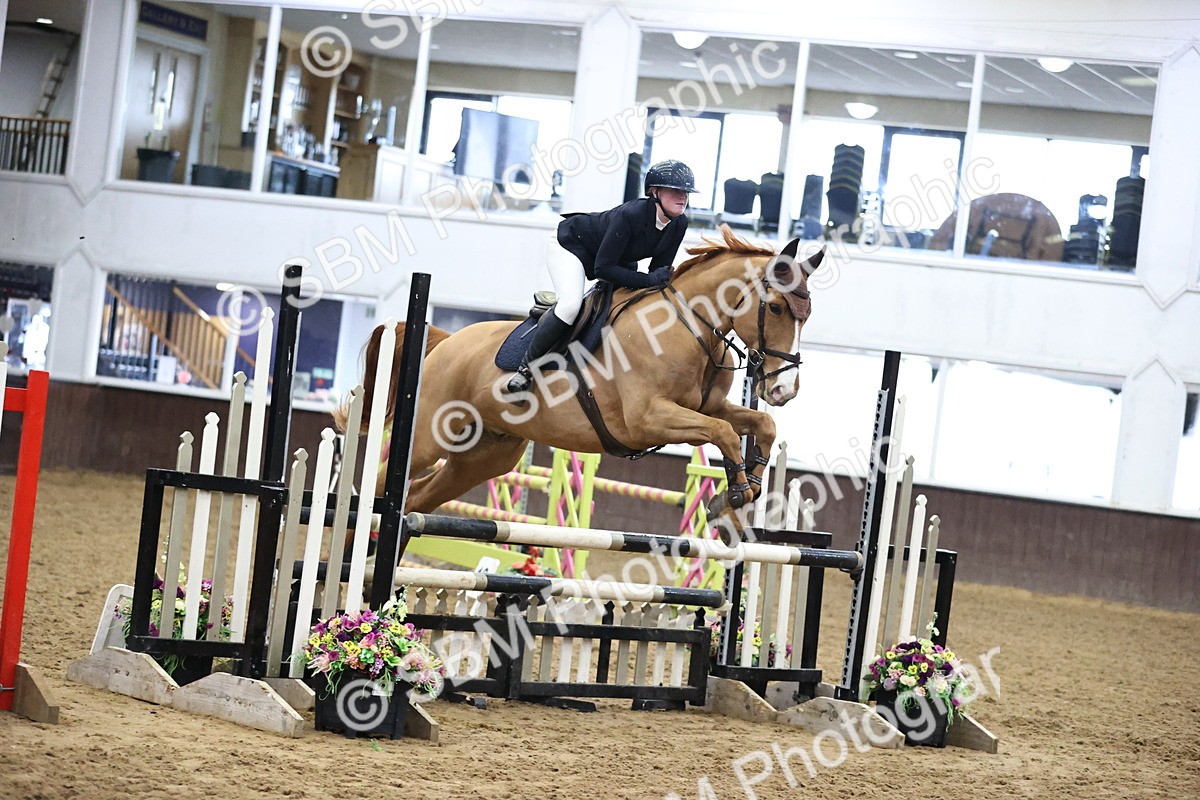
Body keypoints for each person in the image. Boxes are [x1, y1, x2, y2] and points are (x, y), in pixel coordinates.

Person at [505, 159, 698, 395]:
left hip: (615, 257)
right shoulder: (631, 215)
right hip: (572, 245)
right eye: (675, 191)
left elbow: (657, 272)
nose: (683, 197)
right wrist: (648, 281)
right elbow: (603, 269)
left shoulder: (679, 224)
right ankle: (525, 369)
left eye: (686, 192)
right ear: (654, 192)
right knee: (570, 305)